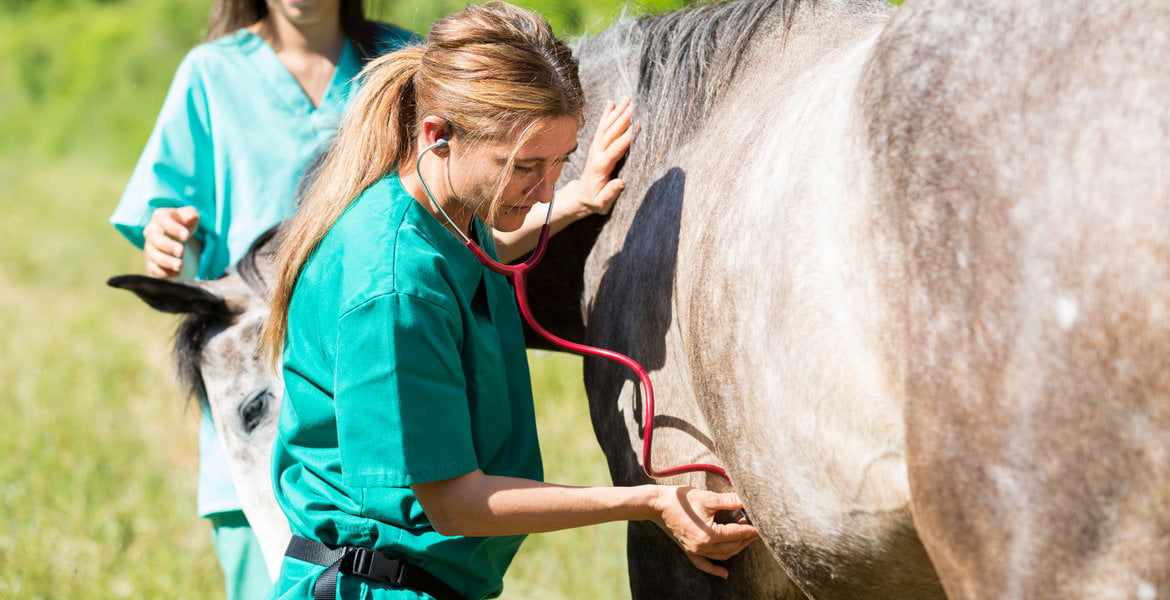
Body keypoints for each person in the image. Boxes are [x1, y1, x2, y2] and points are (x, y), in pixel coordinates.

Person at [261, 3, 760, 599]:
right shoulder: (390, 289)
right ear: (437, 135)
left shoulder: (437, 214)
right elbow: (453, 502)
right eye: (525, 167)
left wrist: (574, 199)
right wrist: (649, 501)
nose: (544, 188)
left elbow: (472, 249)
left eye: (559, 161)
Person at [109, 1, 414, 597]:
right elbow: (170, 227)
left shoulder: (403, 61)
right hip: (258, 416)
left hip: (379, 391)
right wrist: (166, 235)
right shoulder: (210, 74)